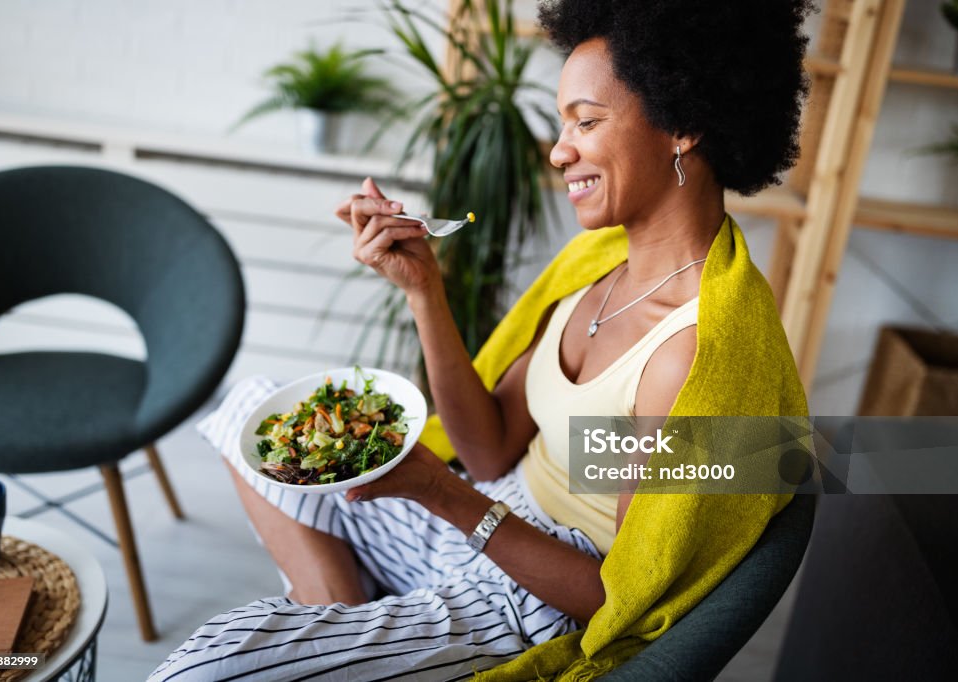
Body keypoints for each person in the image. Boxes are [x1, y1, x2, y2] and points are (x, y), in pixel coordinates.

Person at [151, 0, 812, 679]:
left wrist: (444, 494)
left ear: (684, 125)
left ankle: (337, 639)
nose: (560, 151)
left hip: (529, 595)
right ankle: (338, 619)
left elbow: (617, 602)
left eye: (586, 121)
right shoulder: (598, 266)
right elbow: (490, 448)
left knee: (206, 667)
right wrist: (423, 290)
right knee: (249, 411)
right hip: (478, 517)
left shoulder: (692, 357)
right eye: (564, 124)